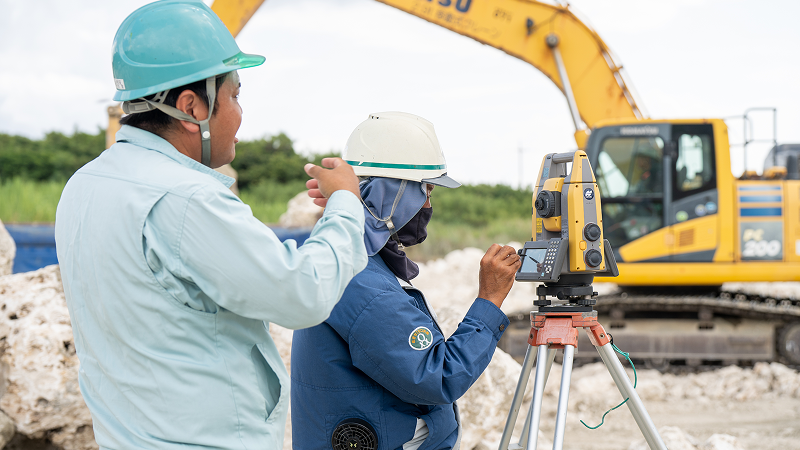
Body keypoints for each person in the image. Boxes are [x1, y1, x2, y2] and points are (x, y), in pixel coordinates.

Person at [54, 1, 367, 448]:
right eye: (235, 95)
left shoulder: (85, 185)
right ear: (192, 106)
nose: (241, 114)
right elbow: (303, 293)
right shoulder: (188, 199)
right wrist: (345, 204)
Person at [292, 112, 521, 450]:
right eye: (425, 190)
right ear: (391, 192)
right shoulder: (359, 279)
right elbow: (438, 377)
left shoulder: (353, 259)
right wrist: (489, 301)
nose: (429, 203)